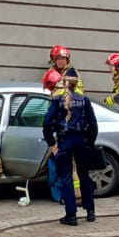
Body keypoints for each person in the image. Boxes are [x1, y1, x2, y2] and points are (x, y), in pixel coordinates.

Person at [44, 69, 99, 226]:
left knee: (66, 178)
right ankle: (90, 212)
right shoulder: (84, 100)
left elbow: (47, 122)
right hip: (82, 141)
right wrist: (90, 143)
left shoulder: (57, 100)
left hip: (65, 142)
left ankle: (71, 215)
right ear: (77, 83)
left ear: (64, 82)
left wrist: (52, 144)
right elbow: (93, 125)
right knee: (84, 176)